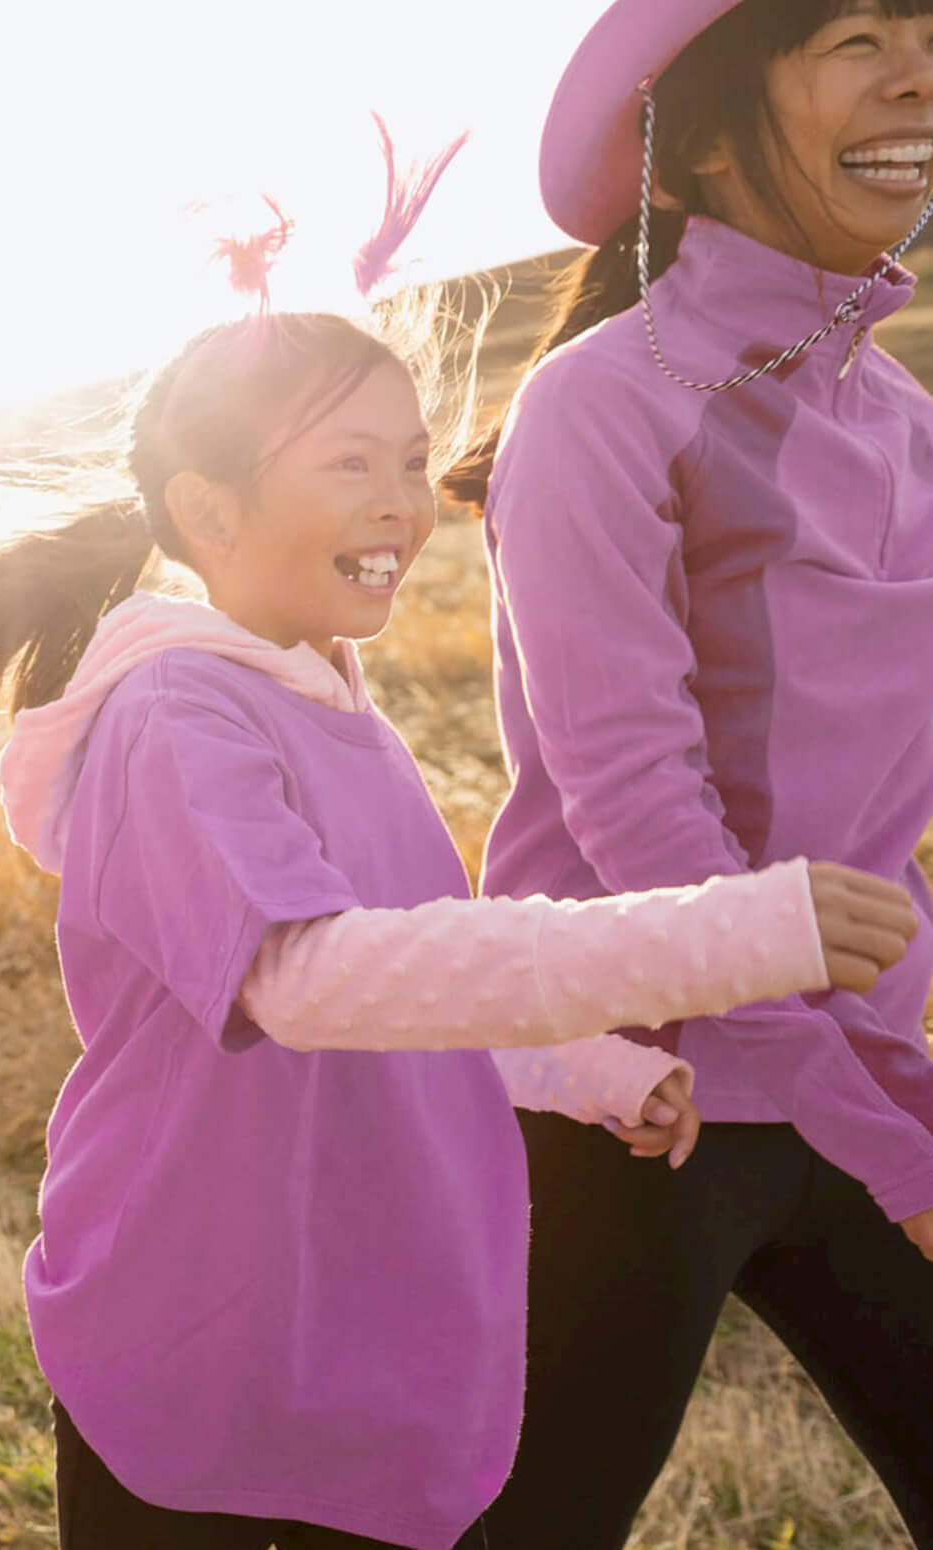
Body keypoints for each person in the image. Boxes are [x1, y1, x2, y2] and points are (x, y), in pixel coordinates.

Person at [0, 283, 918, 1545]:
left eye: (415, 460)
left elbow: (415, 959)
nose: (401, 499)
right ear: (207, 510)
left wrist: (575, 1067)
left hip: (356, 1323)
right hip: (193, 1320)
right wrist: (735, 931)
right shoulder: (172, 717)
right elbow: (313, 979)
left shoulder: (332, 704)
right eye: (347, 461)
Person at [438, 1, 933, 1541]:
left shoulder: (909, 419)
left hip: (853, 1074)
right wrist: (893, 1152)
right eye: (855, 37)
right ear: (700, 138)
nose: (917, 71)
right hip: (621, 1099)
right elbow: (642, 815)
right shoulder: (602, 401)